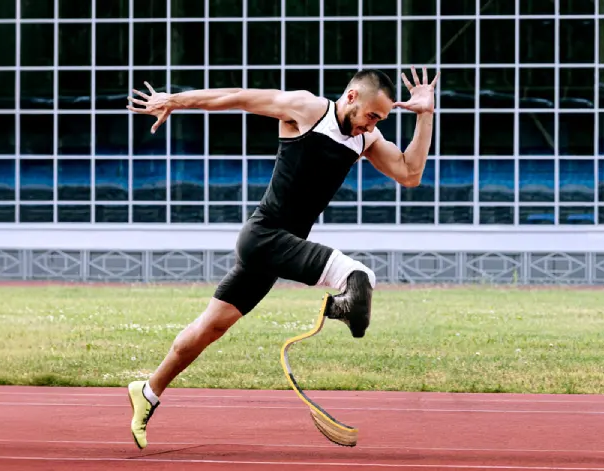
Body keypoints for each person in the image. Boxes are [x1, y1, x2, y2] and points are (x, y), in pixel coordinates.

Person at [123, 66, 438, 449]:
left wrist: (425, 115)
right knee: (357, 277)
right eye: (372, 115)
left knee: (211, 327)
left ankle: (148, 390)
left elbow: (411, 172)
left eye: (381, 120)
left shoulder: (366, 138)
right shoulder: (306, 109)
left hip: (277, 248)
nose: (372, 125)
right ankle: (338, 307)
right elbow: (237, 97)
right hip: (263, 236)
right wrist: (173, 100)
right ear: (352, 97)